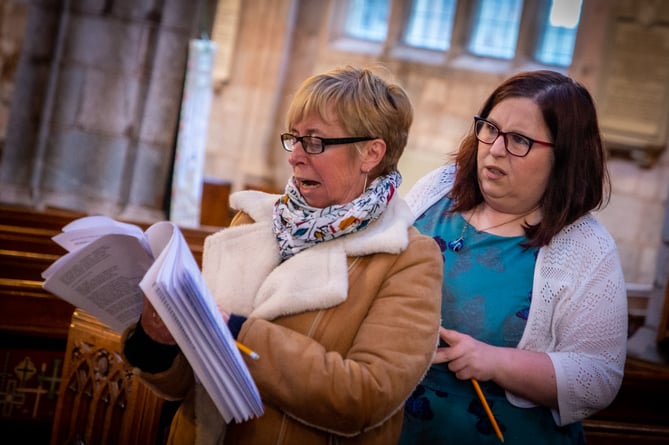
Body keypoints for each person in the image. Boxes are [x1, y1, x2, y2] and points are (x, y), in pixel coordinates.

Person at [122, 65, 444, 445]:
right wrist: (158, 342)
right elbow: (185, 386)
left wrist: (238, 335)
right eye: (293, 138)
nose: (295, 157)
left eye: (315, 142)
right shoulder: (253, 220)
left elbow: (366, 397)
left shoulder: (408, 258)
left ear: (371, 153)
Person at [398, 70, 628, 445]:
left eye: (519, 139)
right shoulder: (439, 188)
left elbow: (597, 378)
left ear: (564, 157)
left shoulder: (587, 247)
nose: (496, 148)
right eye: (490, 128)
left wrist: (493, 361)